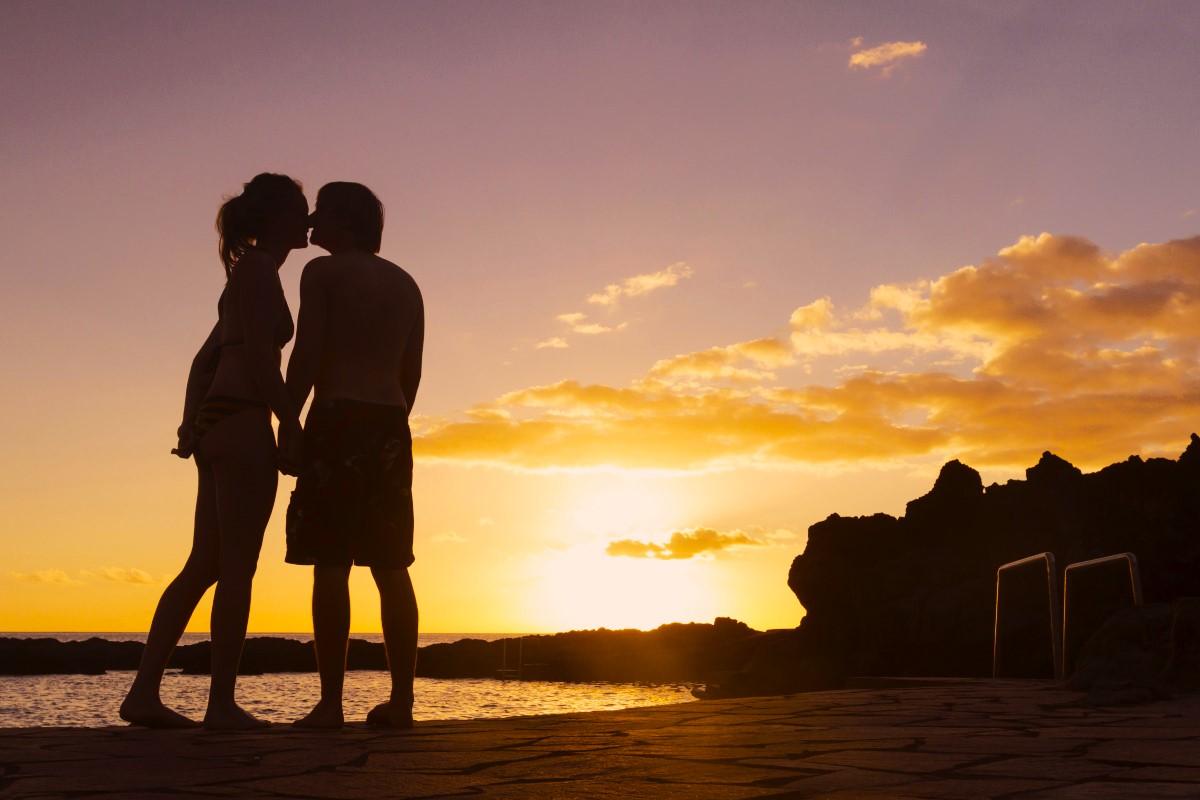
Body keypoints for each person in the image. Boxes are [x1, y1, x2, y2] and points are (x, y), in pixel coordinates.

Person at [120, 173, 309, 729]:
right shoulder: (257, 272)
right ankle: (221, 703)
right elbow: (255, 359)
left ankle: (143, 694)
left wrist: (188, 424)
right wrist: (291, 420)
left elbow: (205, 360)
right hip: (243, 424)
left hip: (219, 427)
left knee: (204, 564)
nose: (310, 222)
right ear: (275, 219)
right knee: (237, 570)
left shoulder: (249, 275)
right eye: (302, 211)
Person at [285, 182, 424, 729]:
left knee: (331, 562)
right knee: (391, 565)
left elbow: (308, 353)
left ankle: (330, 703)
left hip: (338, 416)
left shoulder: (322, 273)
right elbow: (410, 373)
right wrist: (392, 421)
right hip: (389, 421)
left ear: (342, 221)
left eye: (320, 213)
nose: (312, 222)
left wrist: (289, 418)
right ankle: (404, 701)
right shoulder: (406, 283)